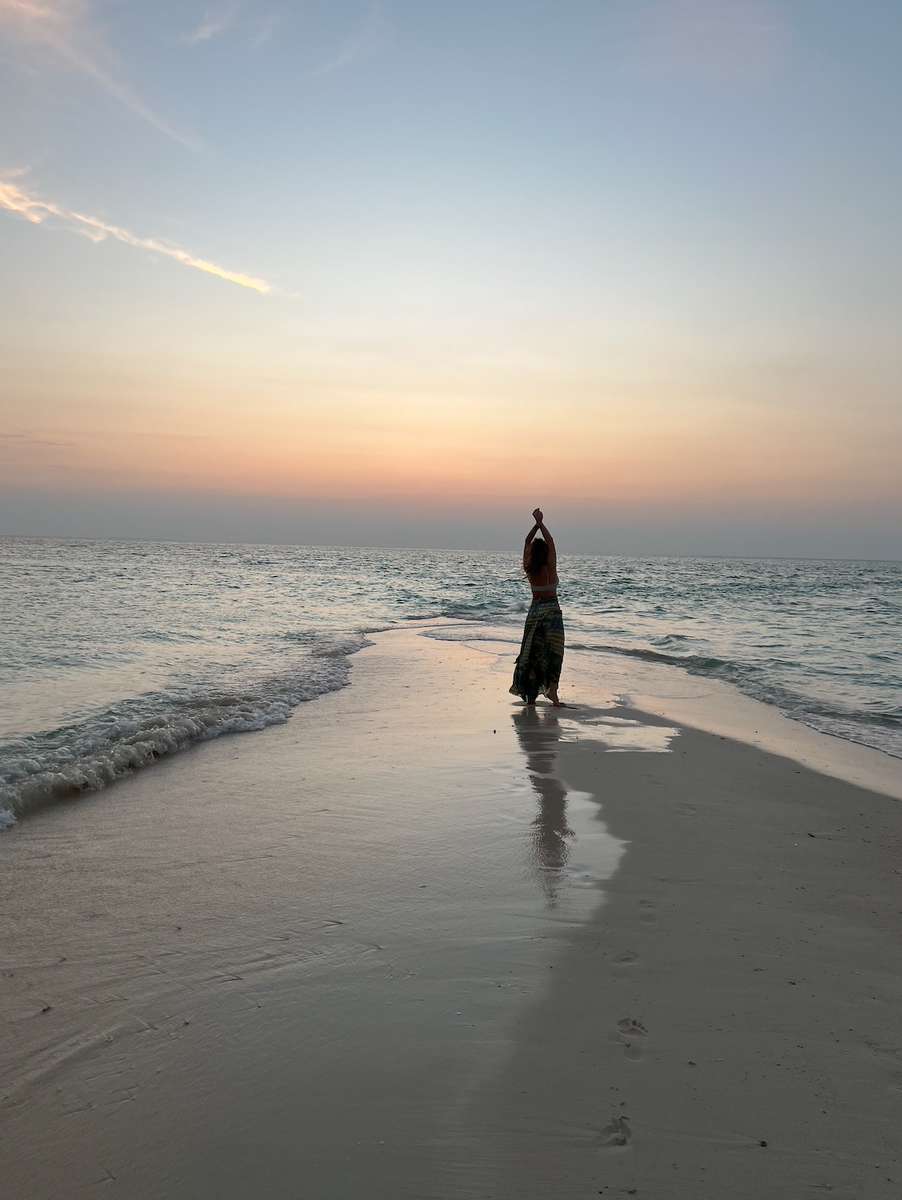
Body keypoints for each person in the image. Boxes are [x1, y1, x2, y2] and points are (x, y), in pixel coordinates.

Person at [510, 508, 566, 707]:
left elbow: (526, 543)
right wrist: (542, 524)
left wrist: (535, 526)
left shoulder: (530, 568)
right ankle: (552, 692)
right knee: (554, 653)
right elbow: (551, 542)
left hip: (534, 612)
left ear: (532, 553)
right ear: (546, 553)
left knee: (533, 654)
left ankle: (531, 697)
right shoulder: (549, 568)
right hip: (551, 613)